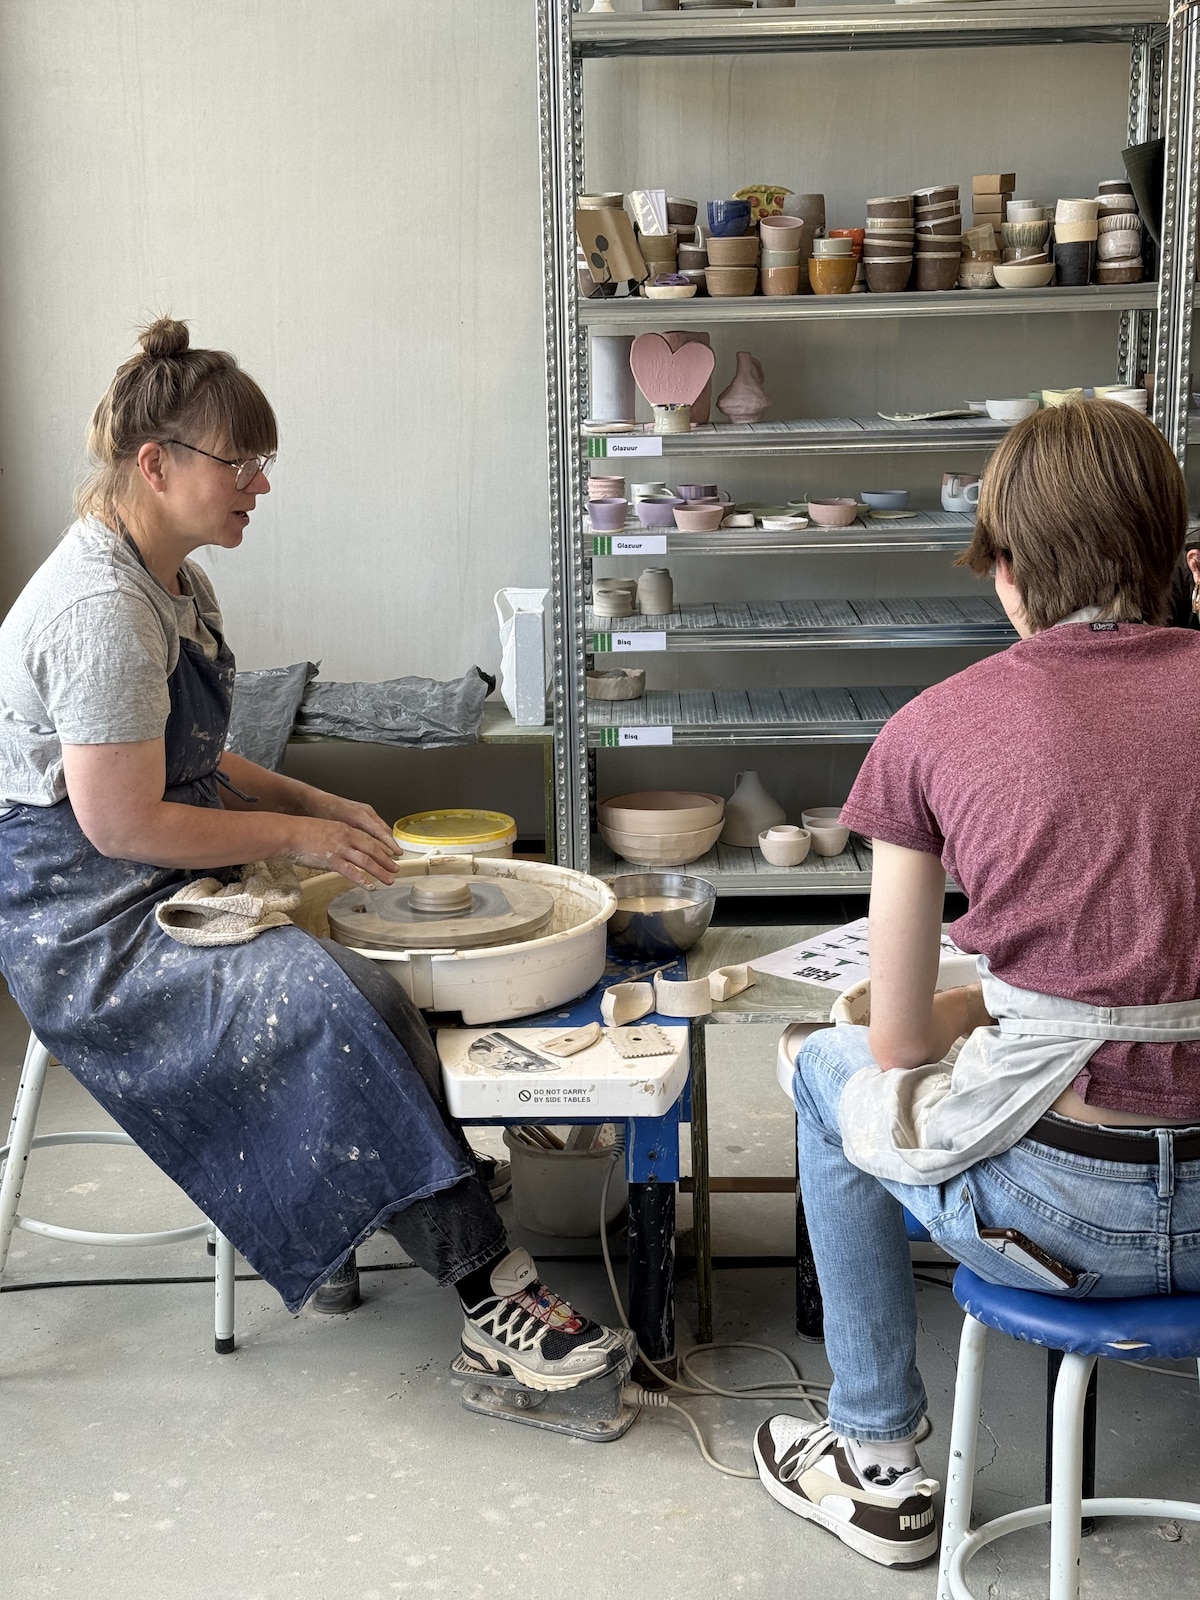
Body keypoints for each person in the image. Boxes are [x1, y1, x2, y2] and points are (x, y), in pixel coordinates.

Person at [0, 317, 624, 1391]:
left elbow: (201, 761)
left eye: (262, 462)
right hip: (88, 917)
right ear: (157, 465)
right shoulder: (102, 606)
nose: (259, 484)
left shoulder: (174, 579)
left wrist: (317, 798)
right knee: (321, 993)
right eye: (240, 463)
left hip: (159, 870)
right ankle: (488, 1287)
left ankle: (388, 1206)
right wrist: (298, 836)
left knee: (365, 976)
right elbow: (122, 823)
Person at [753, 401, 1200, 1568]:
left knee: (823, 1065)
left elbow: (897, 1043)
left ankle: (877, 1461)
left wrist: (970, 1009)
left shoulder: (933, 728)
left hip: (1060, 1216)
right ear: (1171, 544)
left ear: (1004, 568)